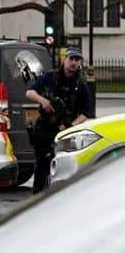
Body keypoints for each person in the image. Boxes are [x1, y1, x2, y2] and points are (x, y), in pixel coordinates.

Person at [25, 47, 90, 194]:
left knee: (64, 166)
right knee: (42, 165)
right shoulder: (51, 77)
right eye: (71, 59)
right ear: (64, 59)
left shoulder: (81, 85)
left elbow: (85, 113)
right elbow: (30, 92)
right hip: (45, 128)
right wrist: (43, 101)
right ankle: (38, 197)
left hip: (66, 131)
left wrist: (70, 127)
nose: (74, 63)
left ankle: (60, 198)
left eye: (77, 60)